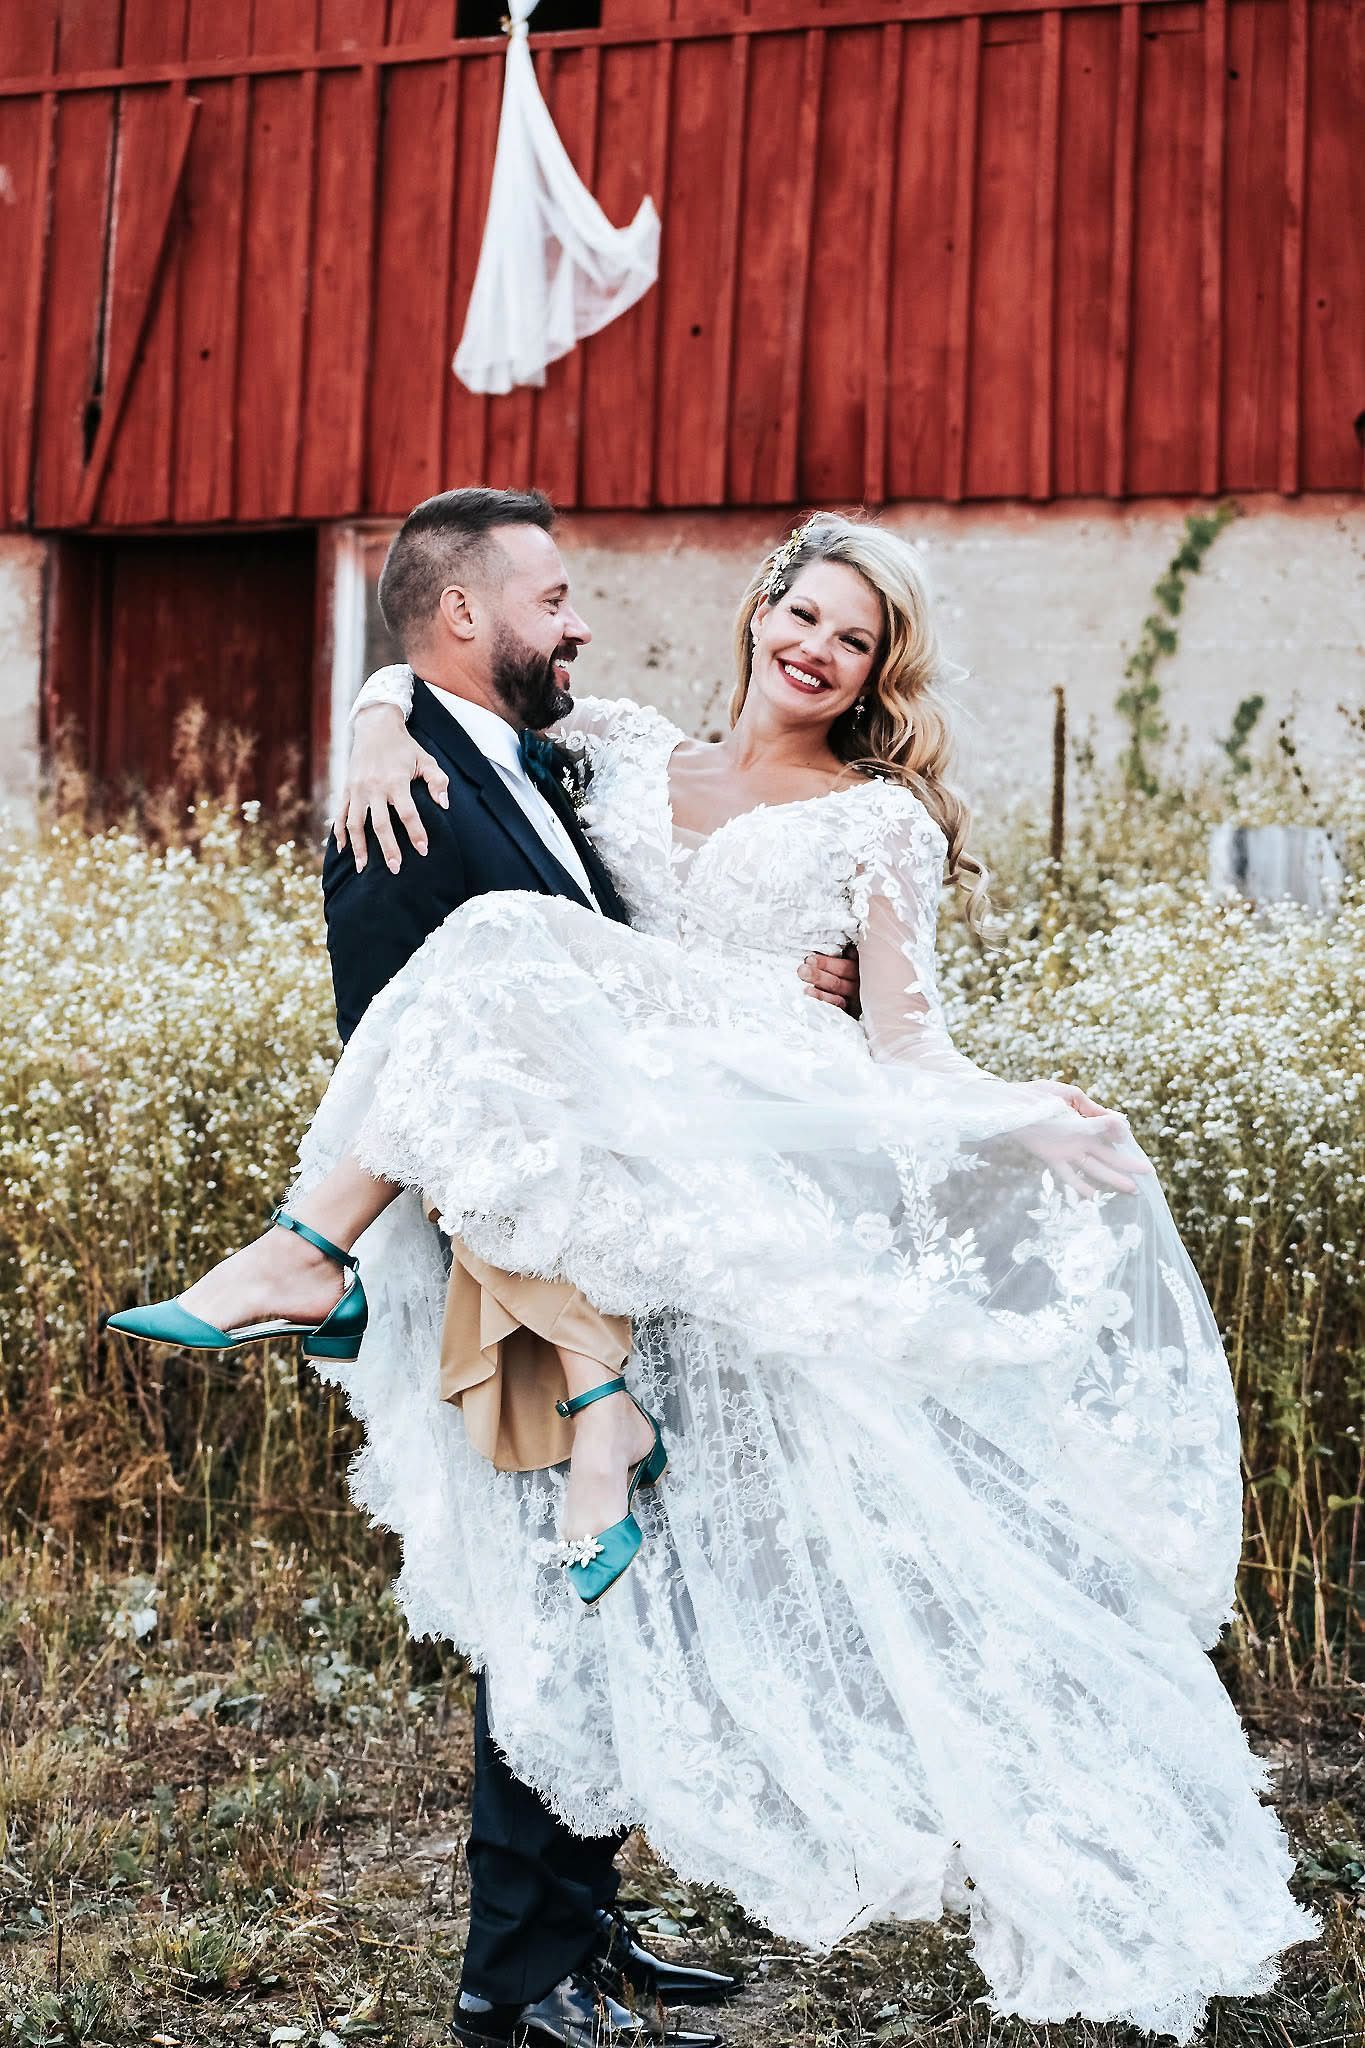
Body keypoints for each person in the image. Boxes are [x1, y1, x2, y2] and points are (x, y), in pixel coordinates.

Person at [110, 507, 1315, 2043]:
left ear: (879, 671)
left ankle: (304, 1251)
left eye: (853, 639)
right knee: (584, 1556)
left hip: (742, 1141)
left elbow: (902, 1043)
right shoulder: (612, 750)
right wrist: (367, 717)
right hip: (619, 1190)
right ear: (758, 611)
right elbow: (440, 671)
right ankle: (556, 1942)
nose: (815, 649)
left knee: (495, 950)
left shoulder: (874, 819)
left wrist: (1020, 1119)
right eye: (801, 614)